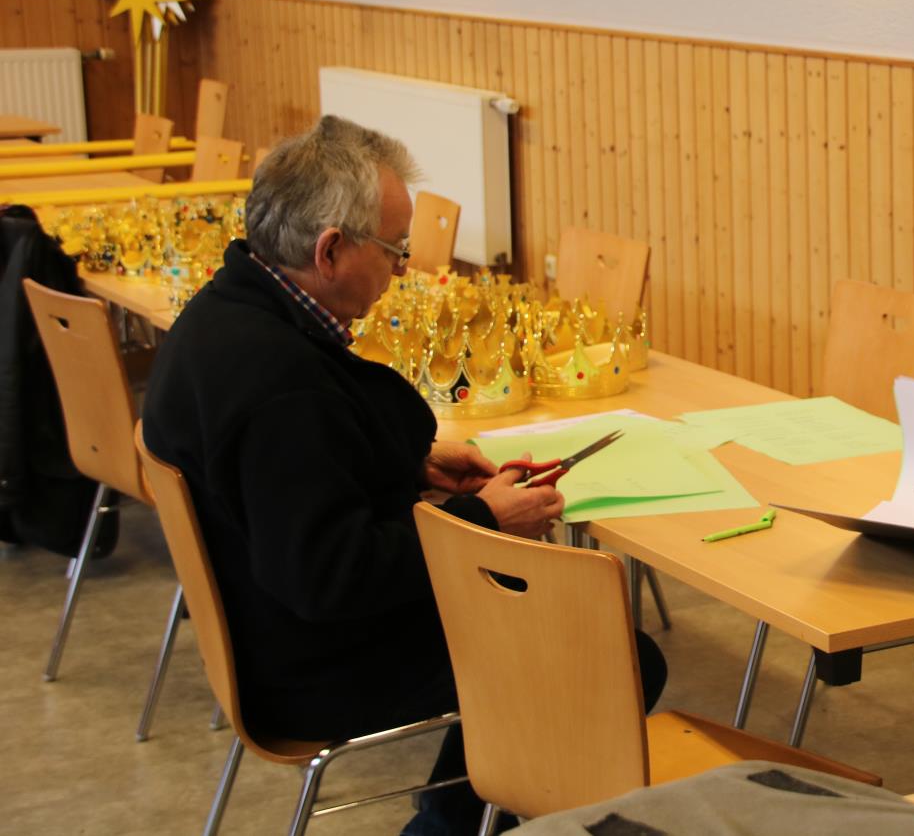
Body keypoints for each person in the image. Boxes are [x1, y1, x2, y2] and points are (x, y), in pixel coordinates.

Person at [142, 116, 666, 834]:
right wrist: (486, 520)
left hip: (268, 627)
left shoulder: (225, 311)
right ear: (330, 250)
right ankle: (448, 825)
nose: (403, 269)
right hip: (314, 664)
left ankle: (458, 811)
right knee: (612, 655)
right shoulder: (279, 383)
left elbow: (295, 477)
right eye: (393, 249)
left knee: (556, 621)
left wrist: (408, 462)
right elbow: (332, 573)